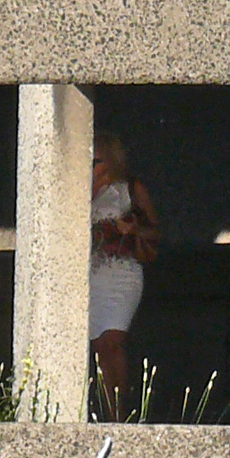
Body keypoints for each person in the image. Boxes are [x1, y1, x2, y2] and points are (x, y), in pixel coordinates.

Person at [89, 130, 161, 410]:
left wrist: (132, 229)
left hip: (122, 273)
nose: (92, 167)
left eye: (97, 161)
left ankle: (120, 412)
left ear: (111, 159)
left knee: (114, 341)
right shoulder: (80, 187)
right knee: (99, 347)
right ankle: (108, 410)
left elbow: (155, 231)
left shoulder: (129, 188)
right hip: (91, 274)